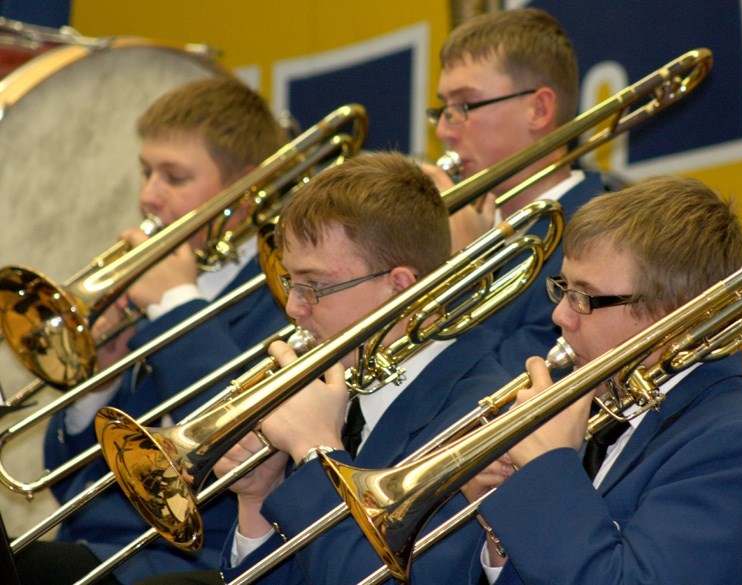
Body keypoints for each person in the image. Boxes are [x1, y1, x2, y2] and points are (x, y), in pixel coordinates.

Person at [173, 151, 510, 585]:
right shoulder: (340, 383)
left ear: (399, 287)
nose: (294, 308)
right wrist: (259, 499)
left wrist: (316, 453)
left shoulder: (481, 413)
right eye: (290, 282)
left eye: (315, 286)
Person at [15, 76, 291, 585]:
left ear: (246, 193)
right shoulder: (153, 288)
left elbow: (239, 443)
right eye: (146, 172)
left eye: (175, 177)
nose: (148, 196)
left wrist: (175, 304)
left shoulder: (284, 299)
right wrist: (98, 381)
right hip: (94, 548)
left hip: (189, 562)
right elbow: (68, 481)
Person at [467, 176, 742, 584]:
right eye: (563, 289)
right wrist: (501, 530)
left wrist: (546, 470)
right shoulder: (602, 412)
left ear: (671, 314)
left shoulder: (737, 443)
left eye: (584, 297)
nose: (560, 317)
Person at [423, 7, 612, 371]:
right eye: (442, 109)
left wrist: (462, 271)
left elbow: (515, 390)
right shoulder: (459, 229)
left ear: (539, 110)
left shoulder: (601, 245)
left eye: (464, 105)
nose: (443, 131)